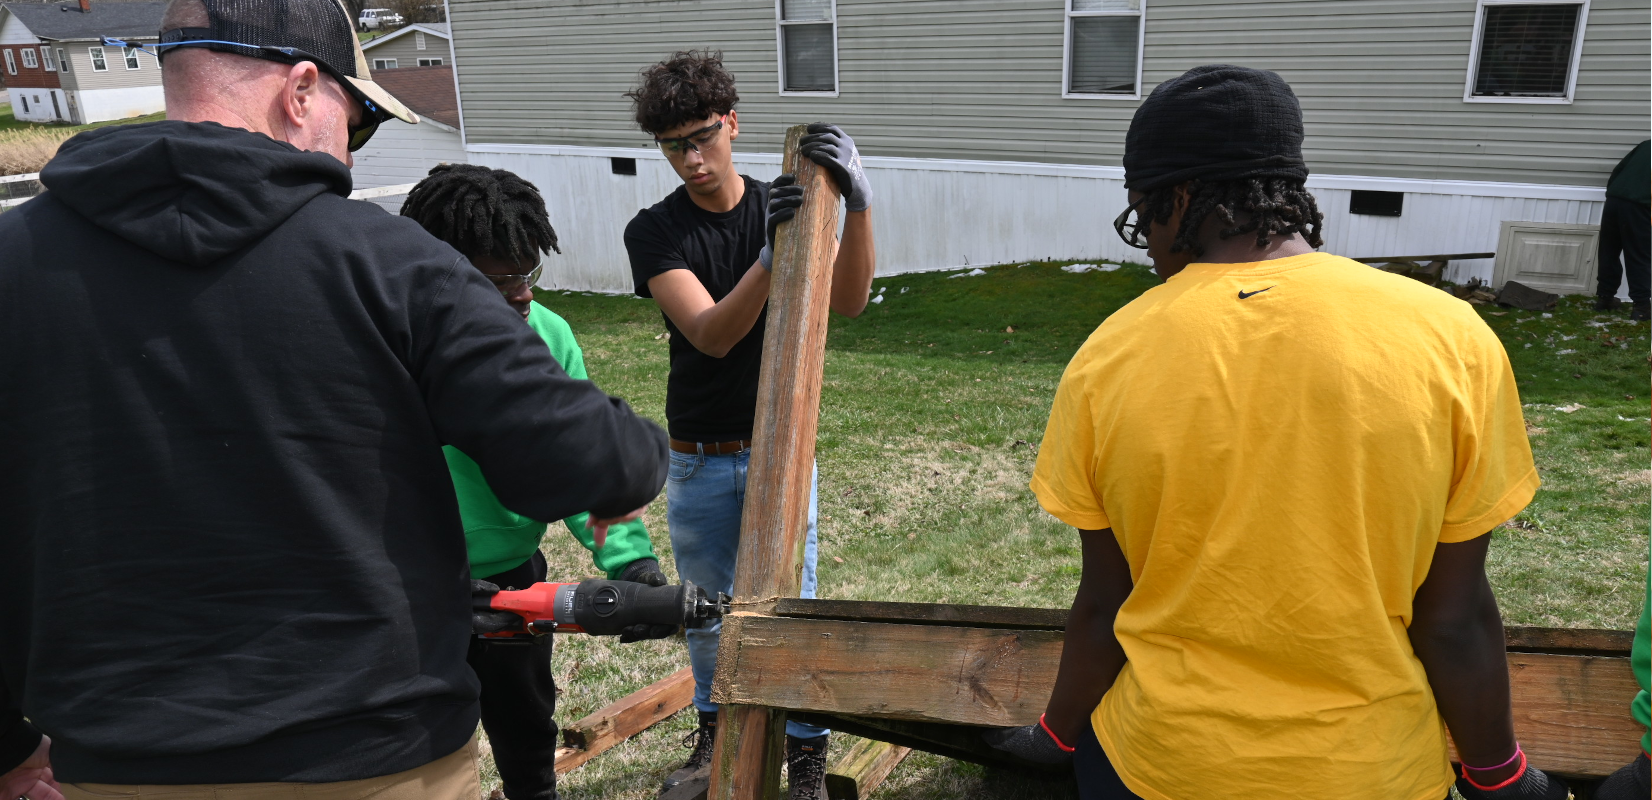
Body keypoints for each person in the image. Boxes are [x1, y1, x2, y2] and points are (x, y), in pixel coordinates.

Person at [0, 0, 668, 795]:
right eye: (358, 124)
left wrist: (8, 751)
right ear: (303, 90)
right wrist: (642, 448)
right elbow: (593, 460)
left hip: (117, 763)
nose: (349, 159)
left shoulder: (15, 263)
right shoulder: (387, 262)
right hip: (375, 757)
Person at [986, 65, 1569, 800]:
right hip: (1370, 775)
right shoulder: (1450, 337)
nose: (1148, 245)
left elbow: (1106, 602)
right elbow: (1452, 619)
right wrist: (1501, 777)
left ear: (1183, 197)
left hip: (1158, 768)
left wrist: (1057, 735)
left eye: (1144, 216)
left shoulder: (1108, 355)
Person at [621, 50, 876, 800]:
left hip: (779, 451)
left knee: (792, 604)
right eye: (674, 145)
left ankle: (805, 758)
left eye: (704, 136)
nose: (694, 159)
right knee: (706, 611)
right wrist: (771, 254)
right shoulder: (656, 232)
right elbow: (710, 333)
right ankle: (713, 739)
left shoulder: (787, 199)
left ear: (733, 122)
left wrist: (857, 206)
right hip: (699, 455)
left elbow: (852, 300)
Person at [398, 163, 675, 800]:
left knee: (525, 730)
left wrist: (632, 565)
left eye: (529, 272)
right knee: (426, 751)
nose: (523, 293)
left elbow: (578, 461)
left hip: (516, 585)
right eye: (501, 278)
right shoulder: (393, 347)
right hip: (417, 594)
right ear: (443, 271)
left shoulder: (548, 334)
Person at [1595, 139, 1649, 321]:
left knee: (1609, 250)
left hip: (1615, 199)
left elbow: (1618, 170)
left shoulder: (1646, 145)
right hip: (1639, 204)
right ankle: (1641, 307)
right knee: (1638, 255)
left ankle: (1604, 298)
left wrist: (1615, 195)